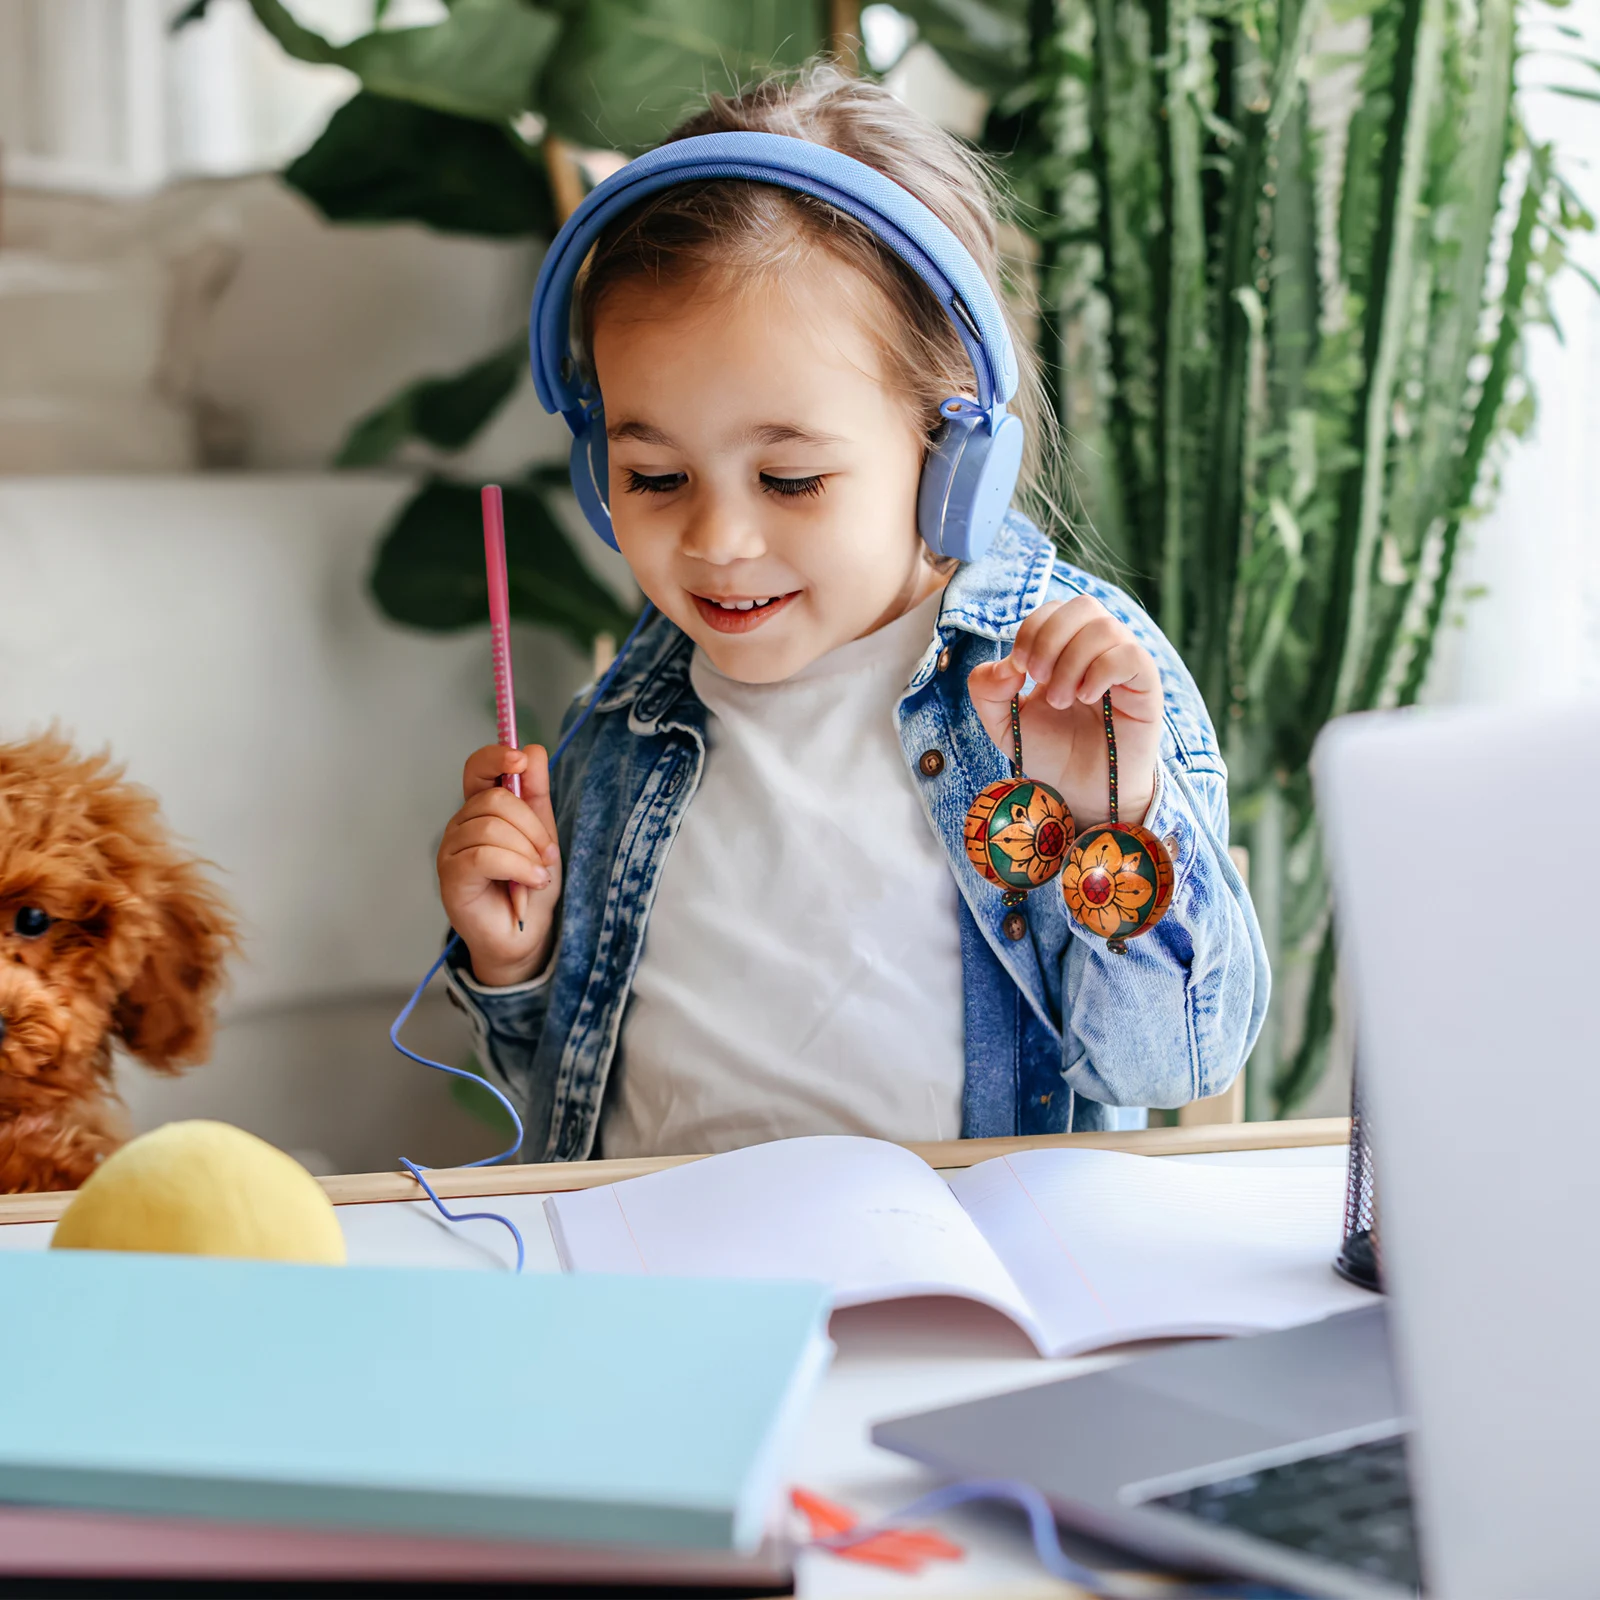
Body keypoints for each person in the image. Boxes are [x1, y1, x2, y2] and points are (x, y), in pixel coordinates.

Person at [435, 65, 1267, 1163]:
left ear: (951, 456)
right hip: (672, 1278)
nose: (716, 542)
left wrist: (1115, 813)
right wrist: (516, 963)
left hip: (960, 1287)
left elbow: (1169, 1066)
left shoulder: (1067, 683)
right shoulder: (629, 720)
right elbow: (574, 1082)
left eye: (789, 482)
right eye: (653, 478)